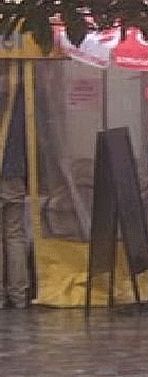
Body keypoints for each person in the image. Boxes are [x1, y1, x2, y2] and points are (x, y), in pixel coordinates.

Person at [0, 62, 29, 310]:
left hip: (11, 170)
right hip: (14, 171)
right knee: (15, 234)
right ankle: (19, 294)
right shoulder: (21, 94)